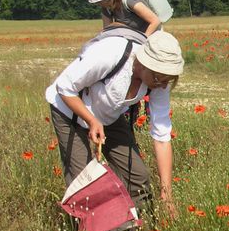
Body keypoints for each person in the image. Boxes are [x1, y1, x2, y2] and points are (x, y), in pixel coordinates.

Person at [46, 31, 184, 220]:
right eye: (160, 79)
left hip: (108, 115)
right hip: (70, 109)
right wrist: (91, 120)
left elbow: (162, 136)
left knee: (138, 179)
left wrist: (167, 194)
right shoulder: (111, 54)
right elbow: (65, 86)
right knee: (85, 185)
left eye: (168, 80)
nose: (162, 86)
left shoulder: (160, 81)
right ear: (144, 64)